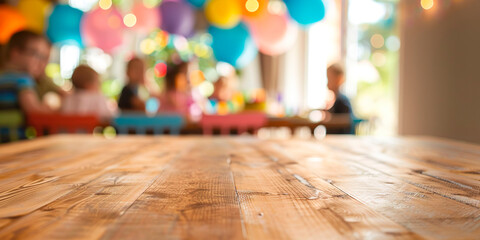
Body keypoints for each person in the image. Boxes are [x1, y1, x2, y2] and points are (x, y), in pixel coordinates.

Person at [0, 30, 52, 114]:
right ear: (15, 53)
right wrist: (48, 110)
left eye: (44, 57)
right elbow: (34, 111)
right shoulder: (22, 79)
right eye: (36, 54)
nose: (41, 62)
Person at [326, 63, 352, 134]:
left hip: (341, 137)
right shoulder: (337, 99)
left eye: (329, 79)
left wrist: (328, 118)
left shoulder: (342, 100)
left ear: (338, 79)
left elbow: (347, 119)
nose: (327, 83)